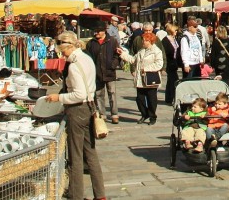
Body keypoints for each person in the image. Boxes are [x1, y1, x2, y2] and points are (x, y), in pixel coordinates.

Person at [45, 31, 106, 200]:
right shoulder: (86, 58)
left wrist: (59, 97)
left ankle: (76, 195)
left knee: (76, 155)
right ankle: (100, 195)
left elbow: (78, 94)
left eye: (62, 50)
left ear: (69, 46)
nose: (61, 54)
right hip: (90, 107)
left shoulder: (73, 66)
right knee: (91, 153)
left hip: (77, 109)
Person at [118, 31, 163, 125]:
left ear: (150, 41)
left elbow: (159, 64)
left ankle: (152, 116)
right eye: (143, 40)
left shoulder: (157, 51)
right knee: (139, 99)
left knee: (151, 99)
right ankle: (144, 113)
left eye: (145, 41)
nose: (143, 42)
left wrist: (146, 69)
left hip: (150, 78)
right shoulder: (141, 51)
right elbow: (132, 60)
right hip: (140, 79)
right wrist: (122, 54)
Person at [84, 22, 121, 124]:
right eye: (95, 31)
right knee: (99, 94)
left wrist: (113, 65)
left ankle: (114, 114)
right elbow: (88, 57)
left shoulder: (112, 41)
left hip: (109, 72)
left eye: (98, 31)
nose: (96, 33)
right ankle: (102, 114)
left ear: (104, 31)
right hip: (97, 73)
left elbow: (117, 55)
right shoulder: (91, 43)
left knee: (112, 93)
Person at [161, 22, 181, 104]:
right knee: (173, 80)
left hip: (174, 63)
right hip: (169, 63)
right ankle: (170, 98)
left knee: (171, 81)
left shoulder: (175, 39)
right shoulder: (166, 40)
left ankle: (169, 98)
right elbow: (164, 53)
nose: (177, 32)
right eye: (175, 31)